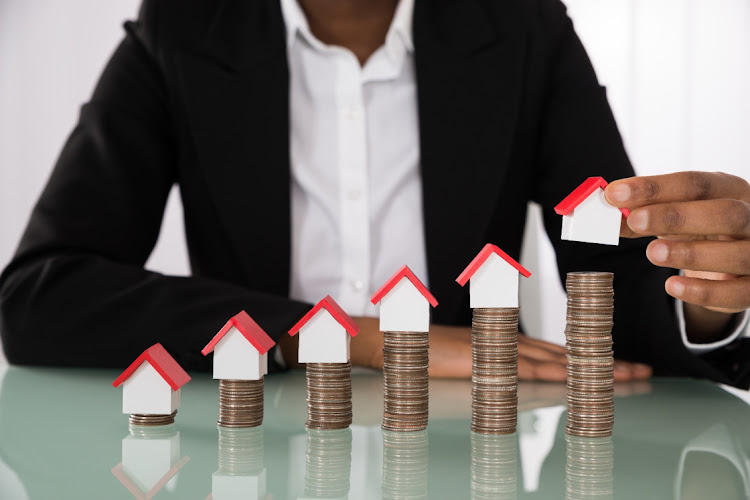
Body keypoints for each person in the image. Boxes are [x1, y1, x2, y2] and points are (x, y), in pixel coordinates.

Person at [0, 0, 748, 387]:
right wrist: (357, 339)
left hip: (466, 446)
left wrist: (706, 298)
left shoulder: (523, 28)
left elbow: (611, 283)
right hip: (257, 440)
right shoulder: (187, 29)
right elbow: (41, 297)